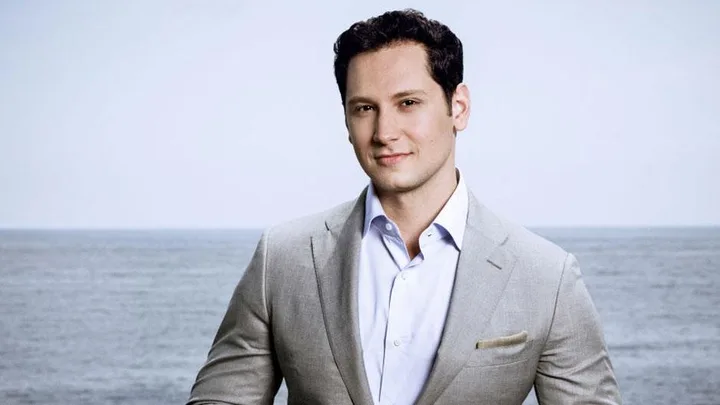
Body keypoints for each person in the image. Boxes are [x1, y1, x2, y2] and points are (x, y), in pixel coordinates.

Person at [187, 9, 621, 405]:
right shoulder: (282, 259)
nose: (384, 131)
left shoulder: (547, 277)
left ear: (459, 107)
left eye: (408, 103)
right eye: (364, 108)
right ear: (346, 120)